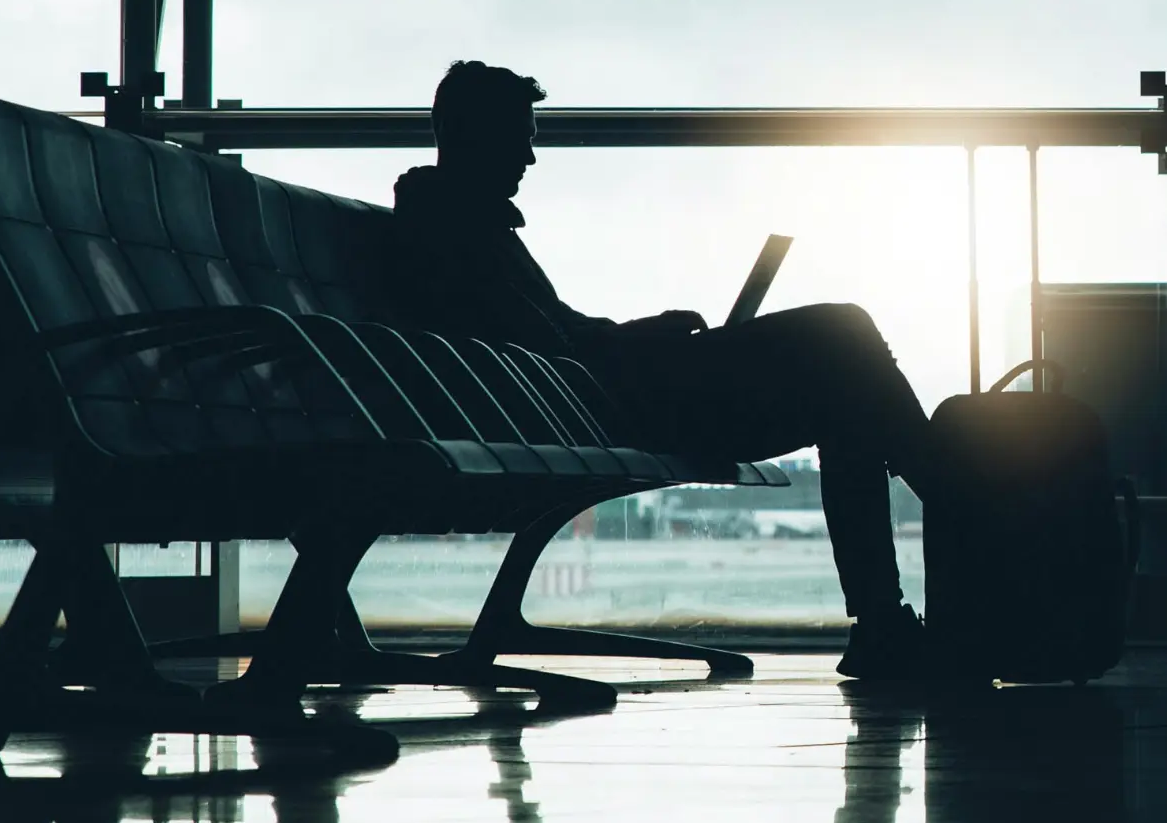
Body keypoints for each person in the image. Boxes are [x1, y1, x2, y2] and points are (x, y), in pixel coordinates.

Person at [387, 60, 939, 680]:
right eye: (522, 138)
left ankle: (889, 612)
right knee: (843, 332)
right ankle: (952, 497)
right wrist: (636, 340)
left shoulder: (455, 221)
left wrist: (637, 334)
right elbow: (545, 346)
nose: (530, 159)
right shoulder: (453, 229)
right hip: (610, 407)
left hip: (607, 398)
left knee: (847, 390)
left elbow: (549, 334)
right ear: (476, 135)